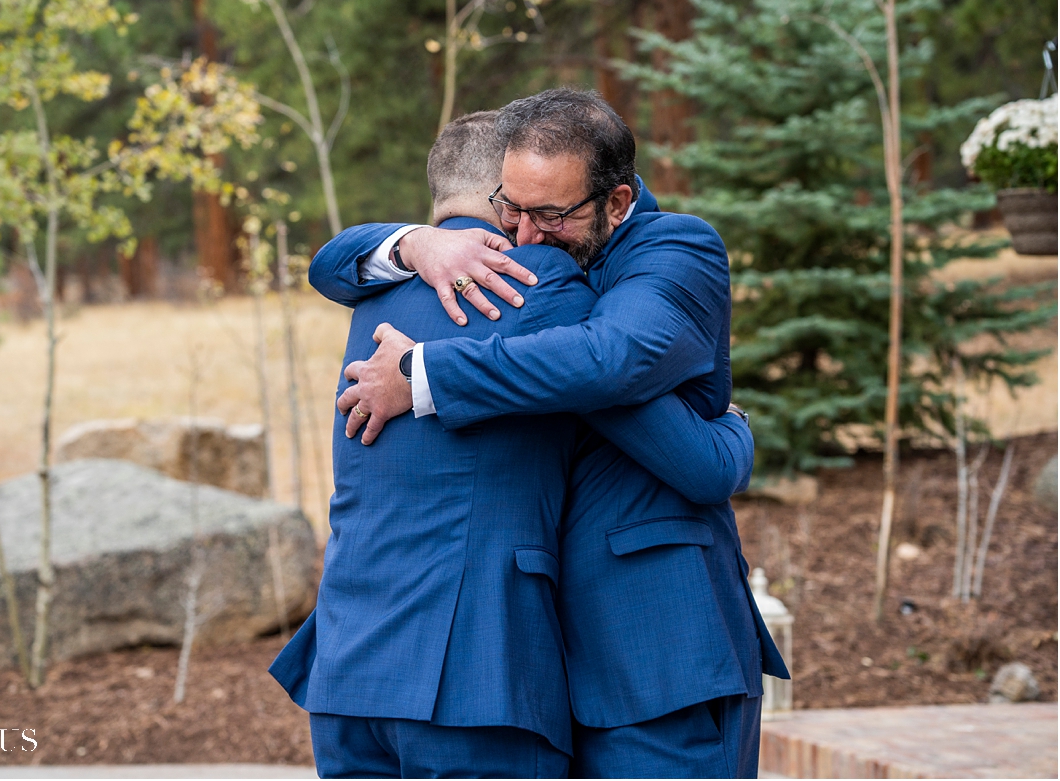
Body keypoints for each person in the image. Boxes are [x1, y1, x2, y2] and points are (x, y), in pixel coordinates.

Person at [309, 89, 789, 778]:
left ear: (616, 202)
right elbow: (329, 263)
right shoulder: (513, 266)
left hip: (658, 654)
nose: (525, 237)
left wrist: (423, 372)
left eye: (551, 215)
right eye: (510, 208)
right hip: (546, 664)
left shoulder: (675, 250)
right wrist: (417, 240)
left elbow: (612, 364)